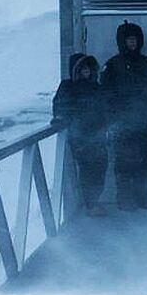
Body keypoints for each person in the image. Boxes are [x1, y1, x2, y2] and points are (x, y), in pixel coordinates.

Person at [101, 21, 147, 211]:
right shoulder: (112, 66)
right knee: (123, 163)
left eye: (135, 40)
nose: (132, 43)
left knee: (144, 162)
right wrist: (110, 121)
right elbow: (105, 97)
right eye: (129, 40)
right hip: (122, 124)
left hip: (144, 123)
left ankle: (142, 197)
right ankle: (124, 198)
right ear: (122, 41)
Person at [52, 54, 109, 217]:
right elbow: (60, 106)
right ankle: (90, 204)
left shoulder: (96, 87)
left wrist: (107, 126)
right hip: (80, 137)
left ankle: (94, 201)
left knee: (100, 168)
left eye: (88, 68)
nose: (86, 71)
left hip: (98, 135)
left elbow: (104, 109)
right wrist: (60, 119)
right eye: (83, 68)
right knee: (88, 170)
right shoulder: (68, 87)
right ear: (76, 70)